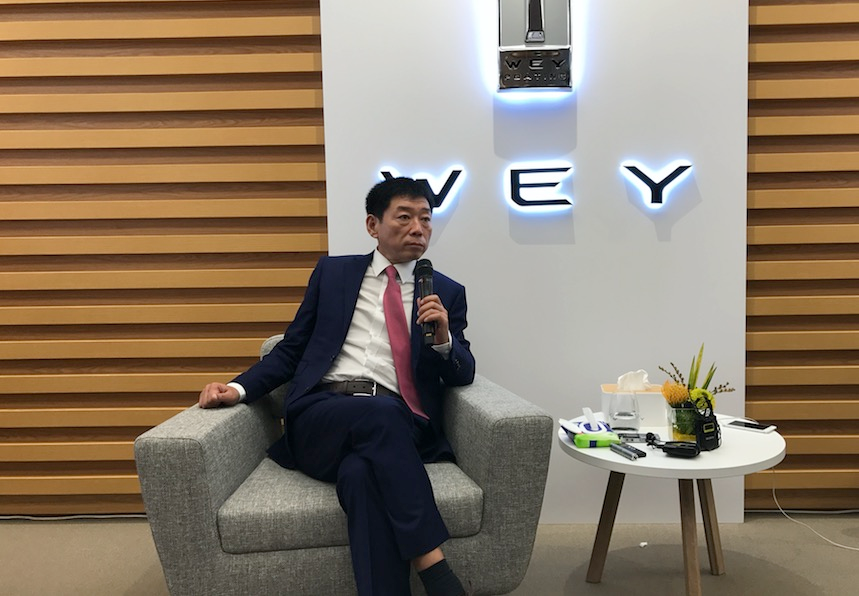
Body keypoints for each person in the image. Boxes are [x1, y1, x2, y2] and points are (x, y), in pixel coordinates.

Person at [198, 176, 476, 596]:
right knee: (380, 414)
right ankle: (434, 568)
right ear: (373, 225)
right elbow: (292, 349)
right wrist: (237, 389)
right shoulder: (334, 274)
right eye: (404, 217)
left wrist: (444, 340)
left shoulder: (447, 293)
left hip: (399, 428)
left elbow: (463, 373)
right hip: (321, 417)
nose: (418, 228)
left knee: (361, 475)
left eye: (425, 219)